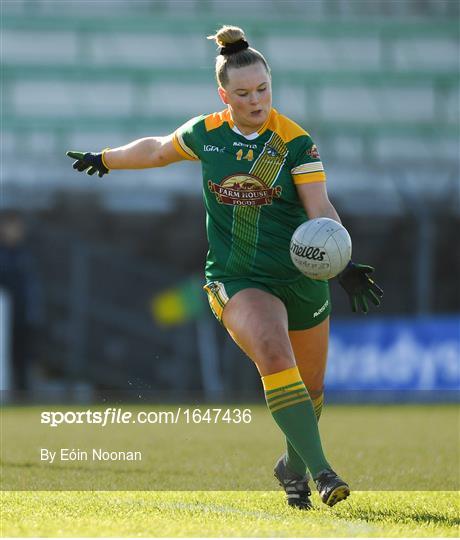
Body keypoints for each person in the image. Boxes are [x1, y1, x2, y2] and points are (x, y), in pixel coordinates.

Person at [67, 25, 383, 510]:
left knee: (313, 388)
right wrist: (105, 158)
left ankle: (292, 466)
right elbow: (155, 149)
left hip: (300, 278)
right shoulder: (205, 134)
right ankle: (322, 472)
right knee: (276, 355)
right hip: (237, 278)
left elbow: (320, 208)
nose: (256, 100)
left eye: (263, 89)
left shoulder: (295, 143)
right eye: (243, 93)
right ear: (224, 94)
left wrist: (340, 260)